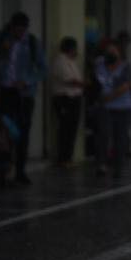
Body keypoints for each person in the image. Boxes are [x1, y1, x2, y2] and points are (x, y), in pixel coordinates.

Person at [0, 12, 45, 185]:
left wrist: (27, 81)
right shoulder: (2, 39)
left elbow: (43, 69)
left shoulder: (33, 43)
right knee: (3, 131)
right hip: (4, 91)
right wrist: (1, 49)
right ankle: (2, 171)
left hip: (24, 94)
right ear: (11, 28)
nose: (20, 33)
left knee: (22, 132)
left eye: (23, 30)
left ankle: (20, 171)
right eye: (17, 30)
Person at [95, 37, 131, 179]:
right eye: (109, 51)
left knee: (120, 138)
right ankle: (102, 164)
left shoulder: (126, 66)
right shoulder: (100, 63)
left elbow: (125, 86)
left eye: (114, 51)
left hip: (123, 107)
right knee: (104, 135)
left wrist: (108, 97)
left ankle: (118, 167)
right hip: (106, 108)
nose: (111, 53)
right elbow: (99, 80)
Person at [50, 37, 85, 167]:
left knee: (72, 129)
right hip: (64, 98)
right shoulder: (60, 61)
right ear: (70, 48)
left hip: (74, 98)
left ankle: (68, 157)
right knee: (65, 128)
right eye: (75, 48)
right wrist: (84, 84)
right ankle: (63, 158)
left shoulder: (72, 61)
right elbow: (69, 79)